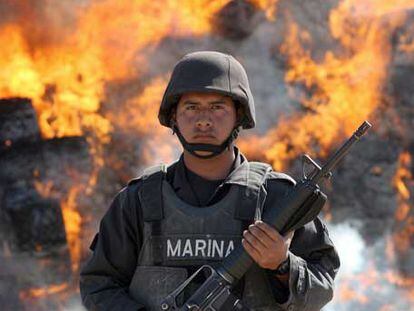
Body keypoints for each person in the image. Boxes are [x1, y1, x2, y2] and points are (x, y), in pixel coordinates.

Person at [80, 51, 340, 311]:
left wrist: (282, 265)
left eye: (217, 107)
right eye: (191, 107)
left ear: (238, 115)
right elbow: (99, 285)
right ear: (174, 117)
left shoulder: (276, 197)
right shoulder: (139, 200)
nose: (204, 120)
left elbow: (322, 288)